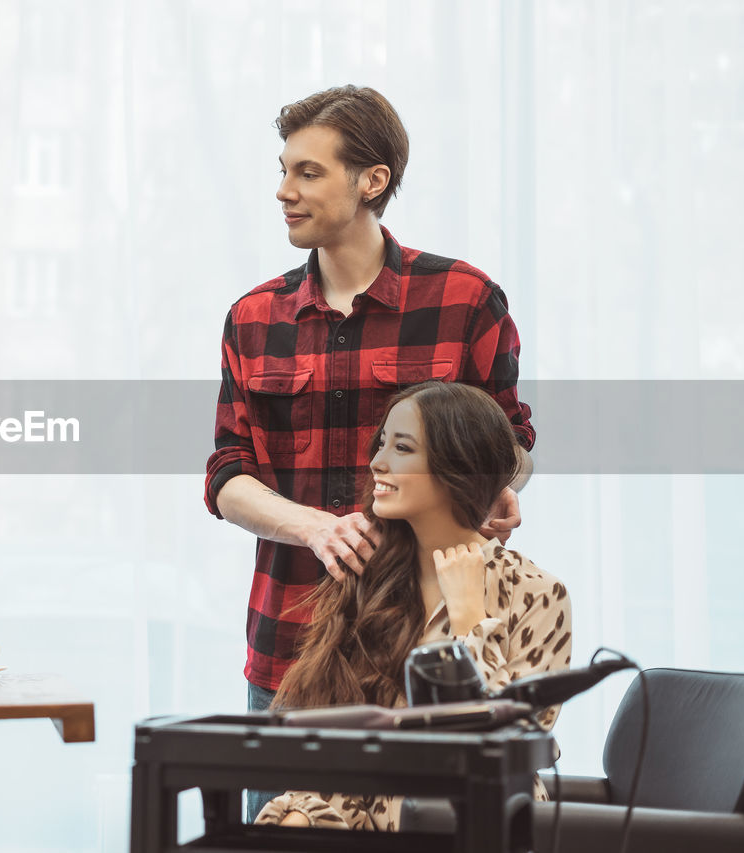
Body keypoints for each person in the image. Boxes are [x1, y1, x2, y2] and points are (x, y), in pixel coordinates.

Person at [202, 85, 536, 773]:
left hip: (433, 650)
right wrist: (315, 527)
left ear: (372, 180)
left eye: (308, 172)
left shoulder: (465, 300)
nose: (284, 191)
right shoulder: (252, 318)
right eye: (283, 169)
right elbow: (227, 475)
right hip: (289, 648)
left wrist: (497, 481)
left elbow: (511, 439)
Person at [254, 380, 571, 830]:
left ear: (457, 466)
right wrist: (304, 815)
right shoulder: (367, 575)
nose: (377, 461)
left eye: (401, 448)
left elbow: (515, 741)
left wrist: (469, 622)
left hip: (483, 822)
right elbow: (344, 749)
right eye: (382, 443)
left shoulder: (537, 591)